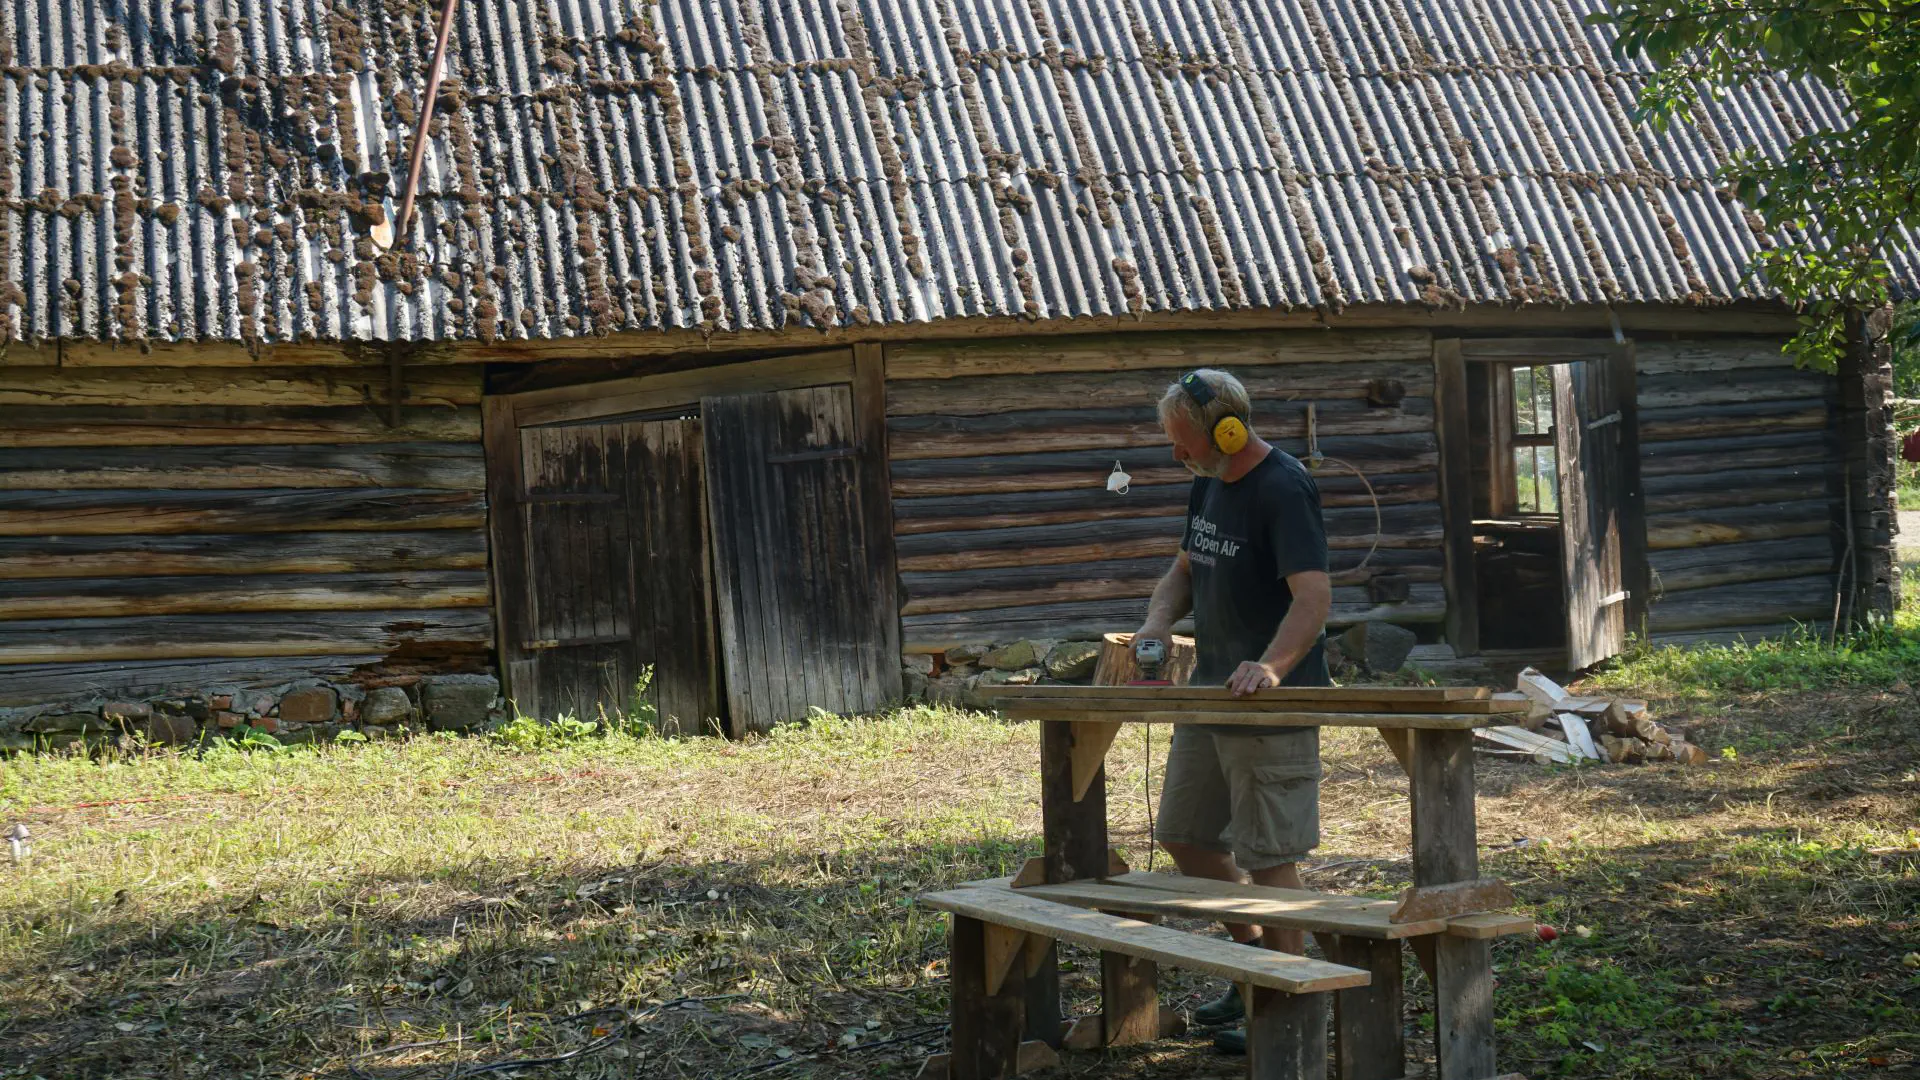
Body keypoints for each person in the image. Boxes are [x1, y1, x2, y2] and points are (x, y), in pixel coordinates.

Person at [1131, 368, 1333, 1055]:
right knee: (1186, 835)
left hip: (1272, 703)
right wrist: (1157, 622)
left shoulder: (1284, 488)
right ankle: (1253, 970)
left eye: (1183, 441)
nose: (1176, 455)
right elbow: (1185, 569)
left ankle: (1291, 1004)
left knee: (1271, 856)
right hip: (1212, 691)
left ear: (1228, 430)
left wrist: (1271, 667)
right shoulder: (1206, 479)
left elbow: (1313, 599)